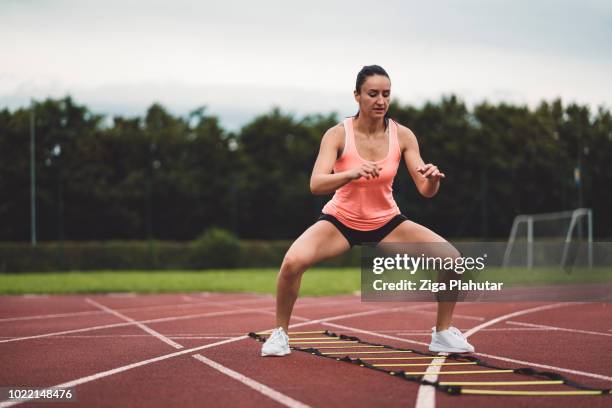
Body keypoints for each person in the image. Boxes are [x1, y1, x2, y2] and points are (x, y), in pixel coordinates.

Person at [261, 65, 474, 356]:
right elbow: (316, 183)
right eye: (372, 94)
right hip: (341, 221)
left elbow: (425, 191)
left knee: (452, 260)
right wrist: (351, 173)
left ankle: (443, 333)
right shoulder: (337, 135)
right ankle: (280, 335)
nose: (380, 101)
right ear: (357, 96)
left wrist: (433, 180)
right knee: (291, 264)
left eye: (386, 94)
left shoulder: (403, 136)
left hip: (386, 222)